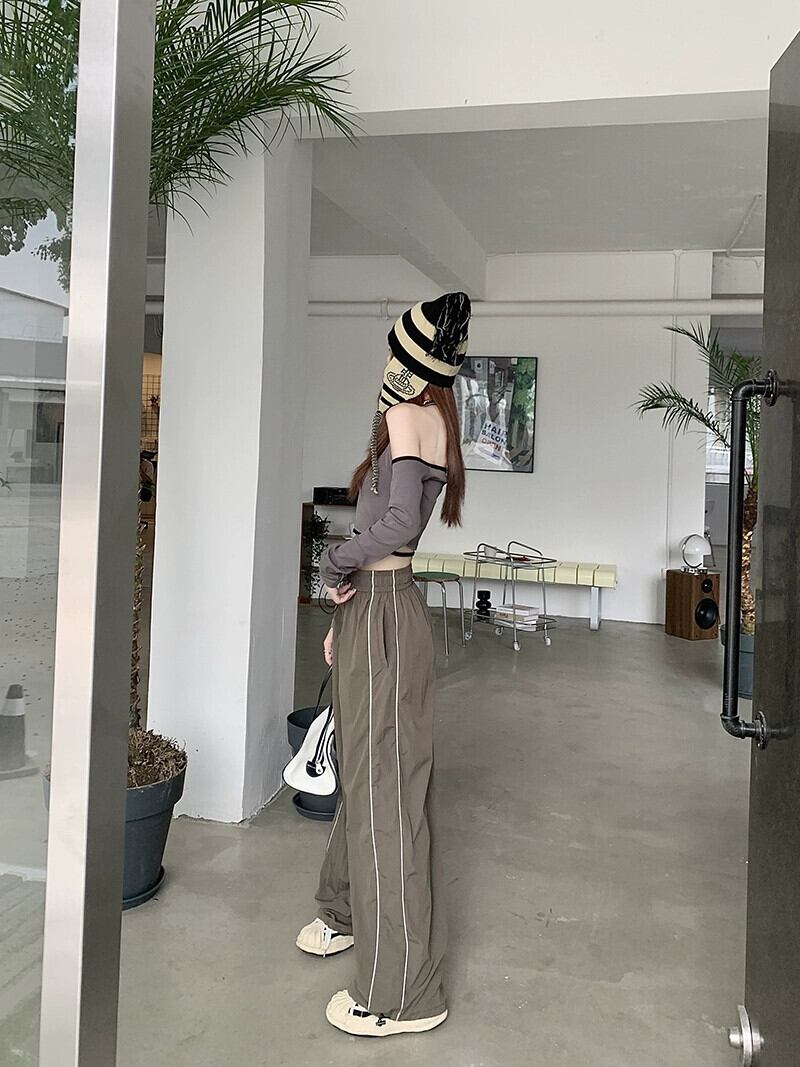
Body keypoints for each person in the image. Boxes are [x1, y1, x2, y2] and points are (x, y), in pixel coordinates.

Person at [295, 292, 471, 1037]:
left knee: (384, 792)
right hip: (379, 609)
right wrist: (347, 614)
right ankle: (345, 910)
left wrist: (332, 559)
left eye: (394, 354)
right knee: (371, 773)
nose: (386, 367)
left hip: (386, 609)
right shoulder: (433, 422)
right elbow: (397, 526)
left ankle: (401, 993)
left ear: (412, 362)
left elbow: (396, 524)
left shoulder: (405, 416)